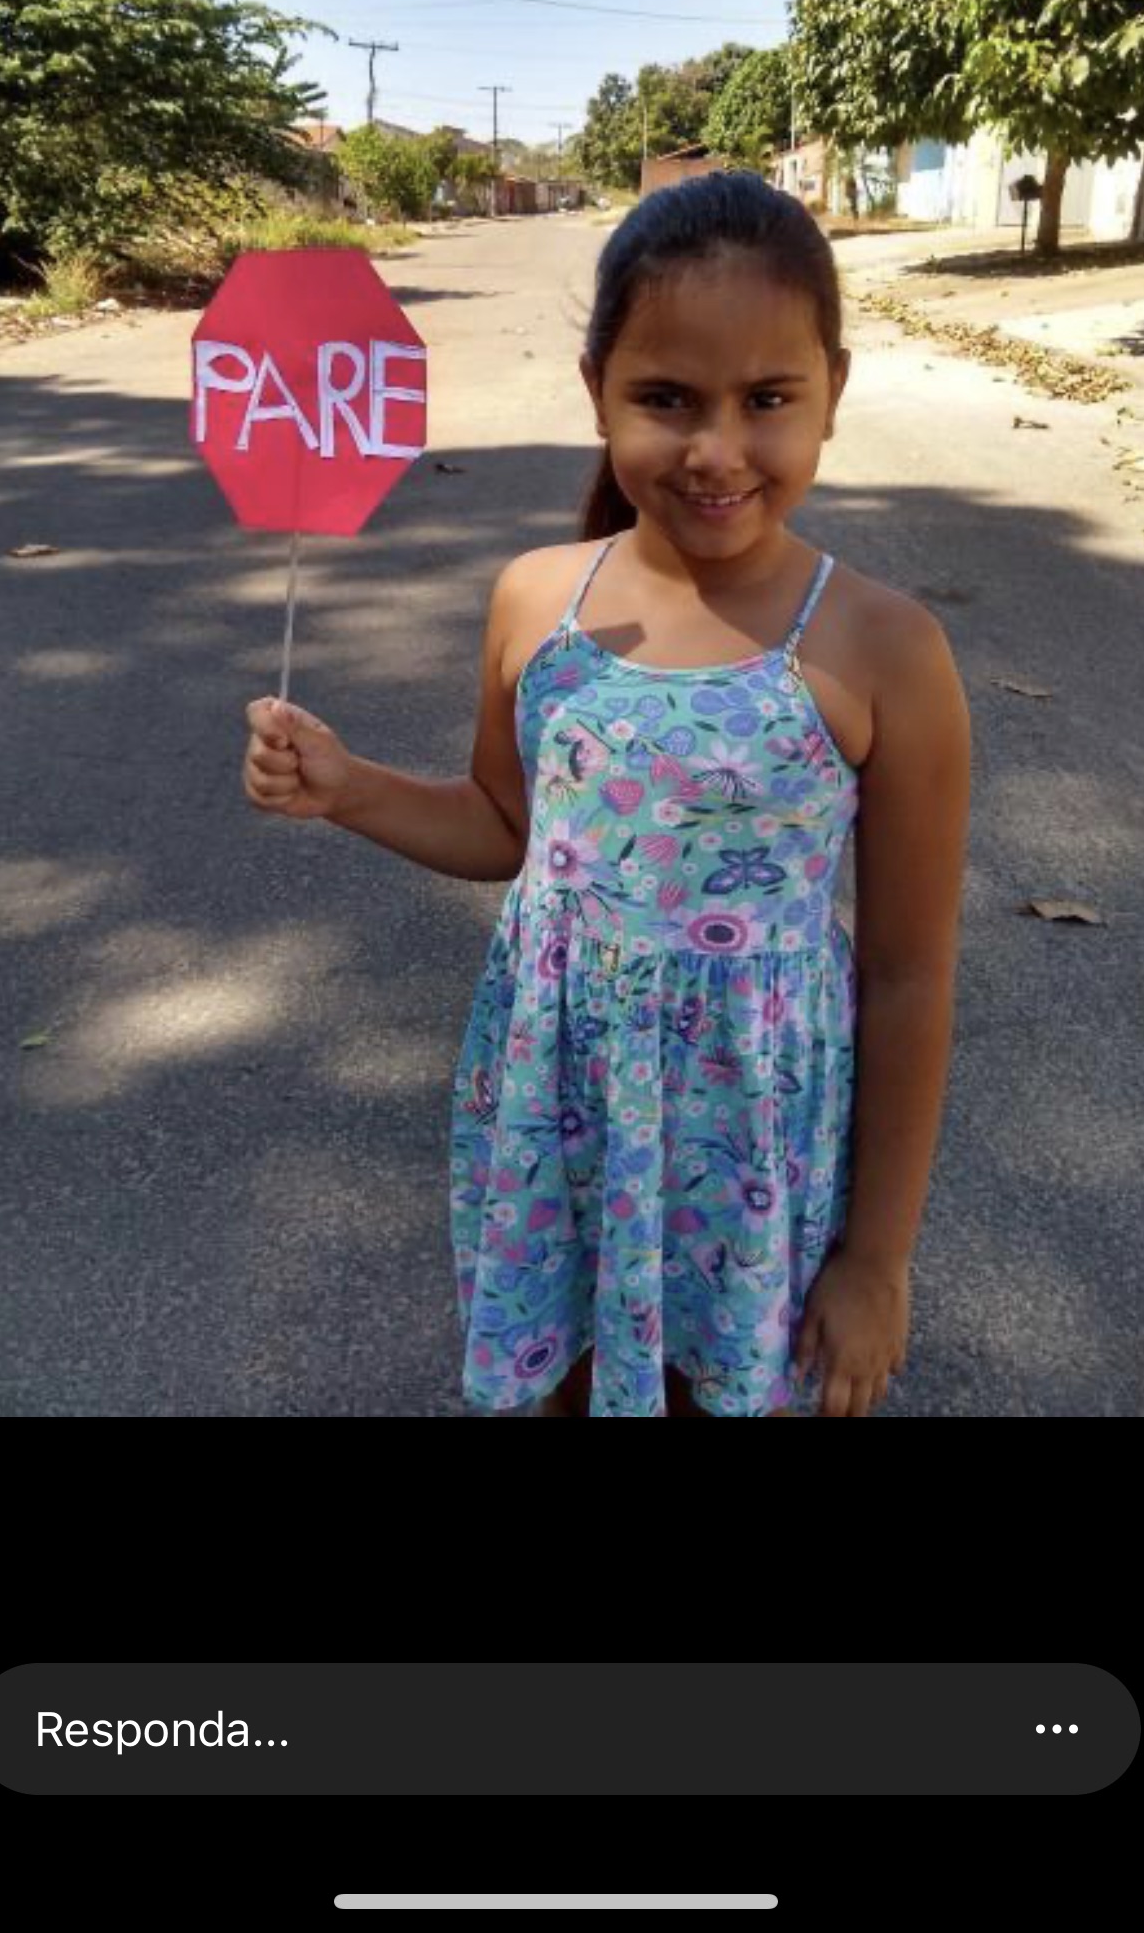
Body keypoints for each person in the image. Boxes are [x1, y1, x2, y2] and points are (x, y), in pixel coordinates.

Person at [242, 171, 972, 1418]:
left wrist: (878, 1259)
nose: (717, 450)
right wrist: (347, 787)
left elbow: (908, 977)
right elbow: (508, 828)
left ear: (834, 393)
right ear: (597, 391)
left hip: (748, 1142)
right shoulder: (538, 598)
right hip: (559, 1113)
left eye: (769, 399)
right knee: (573, 1381)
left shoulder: (886, 648)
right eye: (666, 398)